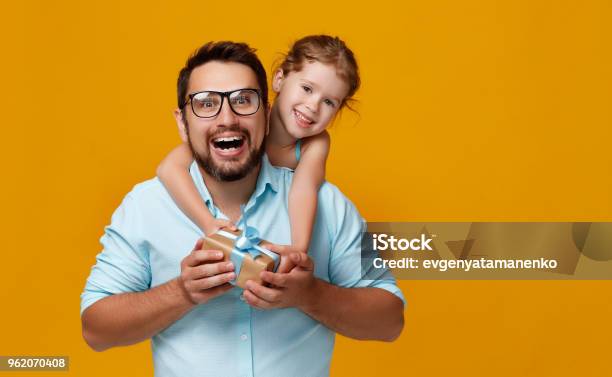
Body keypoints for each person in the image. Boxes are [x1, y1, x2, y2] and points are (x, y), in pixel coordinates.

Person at [81, 41, 404, 377]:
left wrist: (309, 293)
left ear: (266, 112)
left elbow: (390, 320)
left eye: (243, 101)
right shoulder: (146, 206)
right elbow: (96, 329)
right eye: (206, 104)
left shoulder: (330, 205)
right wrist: (181, 292)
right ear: (182, 122)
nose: (227, 119)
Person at [157, 35, 359, 273]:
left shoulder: (315, 143)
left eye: (329, 102)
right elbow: (168, 168)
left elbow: (304, 188)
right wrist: (208, 223)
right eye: (306, 89)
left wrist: (299, 249)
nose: (313, 106)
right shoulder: (243, 122)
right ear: (279, 79)